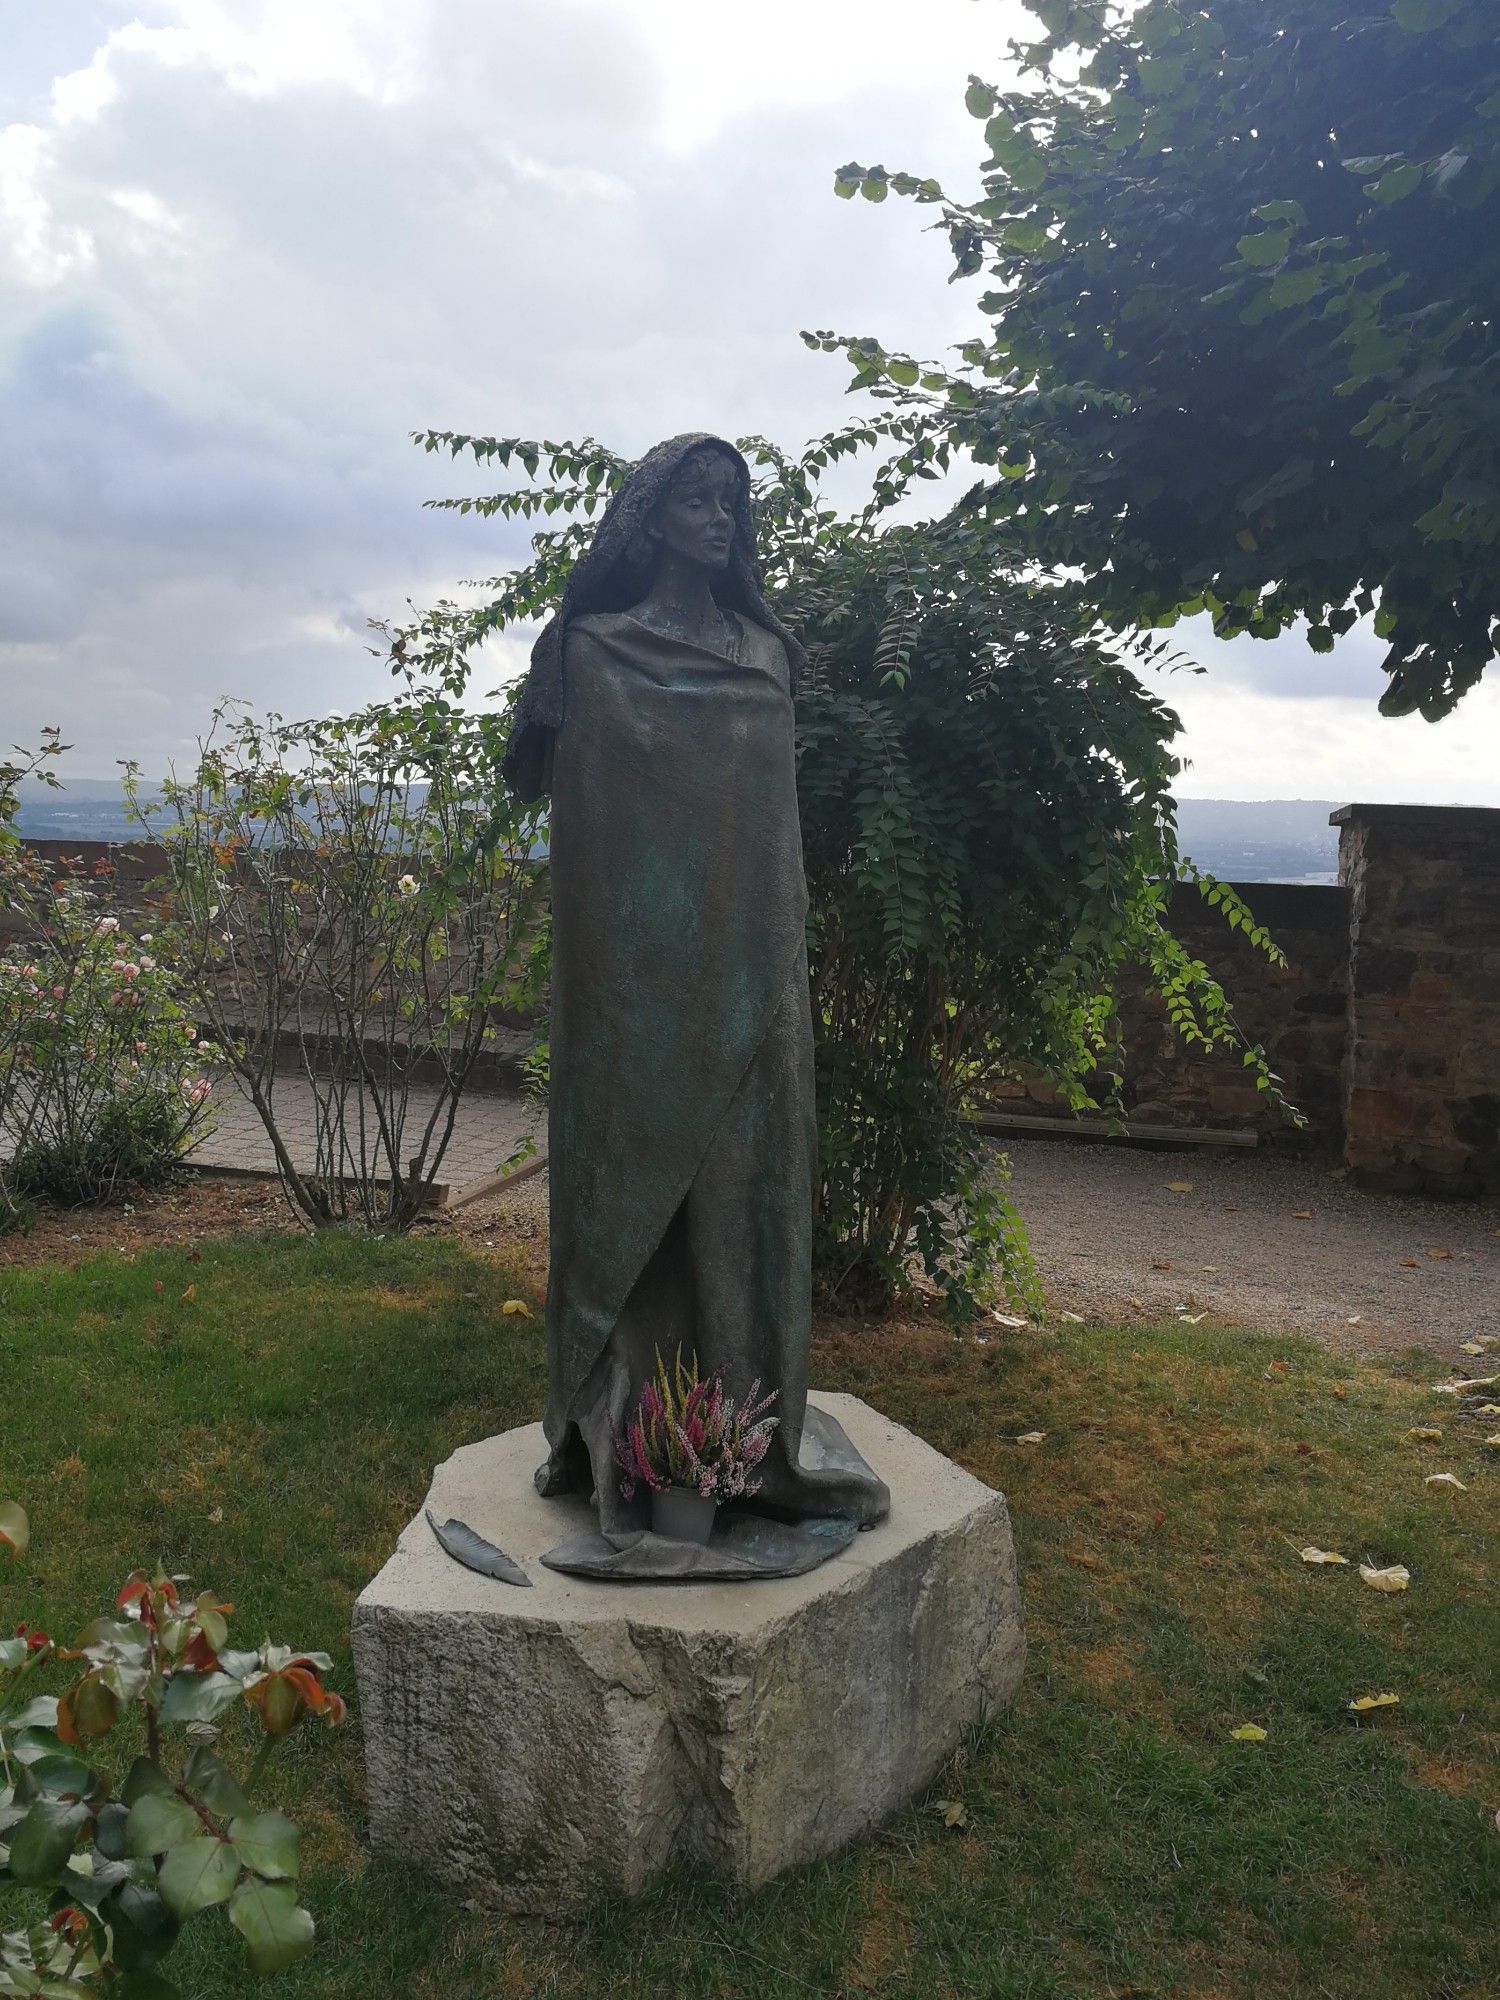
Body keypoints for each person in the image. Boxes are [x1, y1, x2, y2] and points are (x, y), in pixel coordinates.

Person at [504, 433, 890, 1553]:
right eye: (698, 499)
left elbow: (770, 836)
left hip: (754, 978)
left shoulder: (767, 652)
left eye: (732, 502)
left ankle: (743, 1429)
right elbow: (562, 805)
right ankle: (626, 1431)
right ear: (651, 517)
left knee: (747, 1200)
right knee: (628, 1190)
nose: (719, 517)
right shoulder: (593, 648)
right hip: (632, 986)